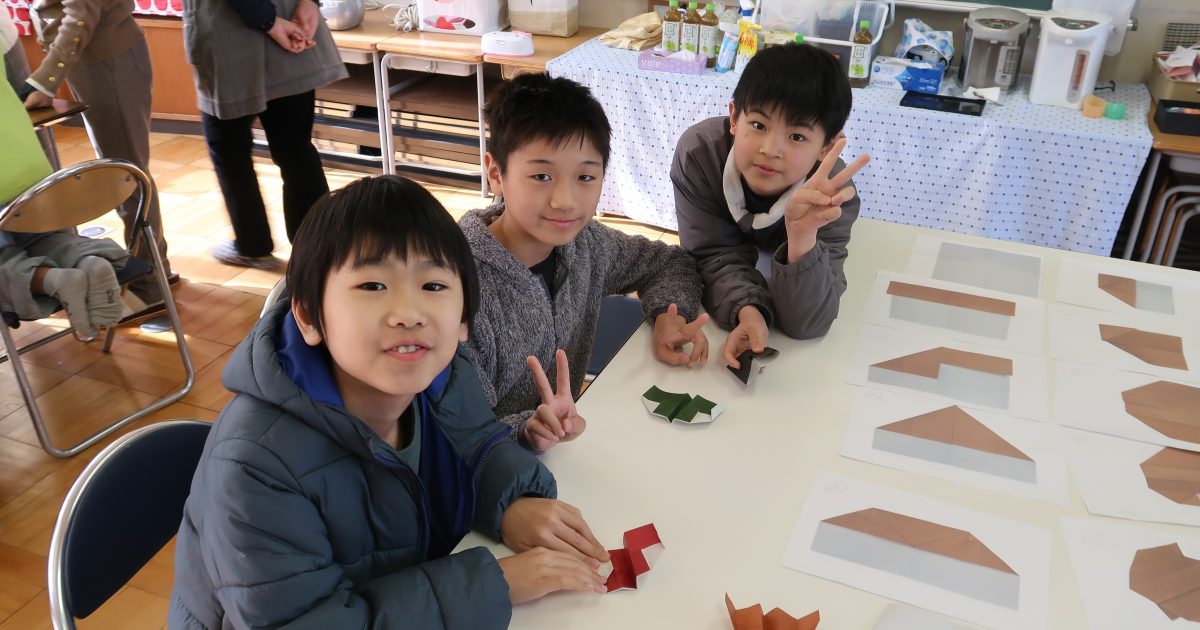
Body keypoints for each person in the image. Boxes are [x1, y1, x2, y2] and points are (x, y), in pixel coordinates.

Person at [170, 175, 610, 628]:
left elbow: (476, 444)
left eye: (433, 286)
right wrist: (492, 583)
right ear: (308, 317)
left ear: (464, 319)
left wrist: (509, 503)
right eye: (372, 286)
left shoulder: (441, 372)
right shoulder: (256, 467)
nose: (408, 314)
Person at [459, 73, 708, 453]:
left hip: (567, 453)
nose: (565, 200)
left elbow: (669, 262)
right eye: (541, 176)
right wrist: (524, 431)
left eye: (585, 177)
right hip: (494, 472)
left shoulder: (586, 245)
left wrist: (667, 314)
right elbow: (453, 431)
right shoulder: (457, 287)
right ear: (496, 173)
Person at [671, 43, 871, 368]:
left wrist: (802, 239)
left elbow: (808, 324)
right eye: (759, 125)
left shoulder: (831, 196)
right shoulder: (700, 156)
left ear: (827, 146)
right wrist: (748, 309)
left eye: (797, 137)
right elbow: (711, 253)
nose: (770, 150)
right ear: (734, 117)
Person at [17, 0, 171, 305]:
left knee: (127, 176)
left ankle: (152, 285)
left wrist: (46, 81)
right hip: (91, 58)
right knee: (122, 171)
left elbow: (80, 14)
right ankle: (155, 270)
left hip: (107, 60)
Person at [183, 0, 347, 270]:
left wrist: (269, 20)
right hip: (289, 22)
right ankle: (320, 253)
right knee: (295, 149)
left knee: (229, 150)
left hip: (230, 34)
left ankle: (253, 246)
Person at [0, 75, 126, 340]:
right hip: (26, 163)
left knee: (3, 255)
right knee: (41, 237)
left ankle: (50, 280)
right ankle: (87, 260)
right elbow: (22, 84)